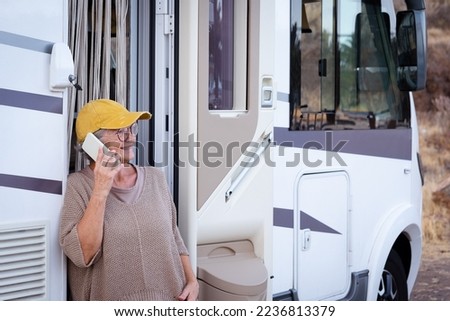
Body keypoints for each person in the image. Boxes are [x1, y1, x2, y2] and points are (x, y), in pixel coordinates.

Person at [59, 99, 199, 301]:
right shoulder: (77, 186)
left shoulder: (155, 178)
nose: (131, 137)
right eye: (120, 132)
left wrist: (192, 281)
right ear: (93, 143)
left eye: (132, 129)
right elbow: (83, 255)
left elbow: (174, 238)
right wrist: (100, 189)